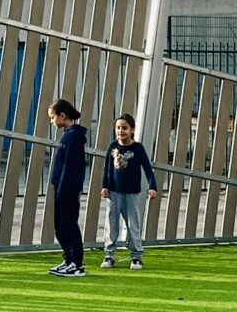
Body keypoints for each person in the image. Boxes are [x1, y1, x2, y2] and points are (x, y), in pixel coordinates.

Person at [100, 113, 157, 270]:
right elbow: (107, 168)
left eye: (124, 128)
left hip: (131, 193)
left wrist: (153, 186)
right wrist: (104, 186)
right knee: (111, 224)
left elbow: (147, 168)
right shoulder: (113, 147)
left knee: (133, 224)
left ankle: (136, 256)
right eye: (118, 128)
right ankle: (109, 255)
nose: (121, 131)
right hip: (114, 192)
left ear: (132, 130)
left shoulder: (138, 149)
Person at [47, 99, 87, 277]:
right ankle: (69, 259)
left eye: (52, 117)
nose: (51, 121)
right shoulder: (68, 134)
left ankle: (77, 264)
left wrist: (64, 187)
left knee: (69, 224)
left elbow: (70, 166)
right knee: (60, 226)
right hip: (61, 187)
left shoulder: (74, 136)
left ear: (62, 116)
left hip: (68, 188)